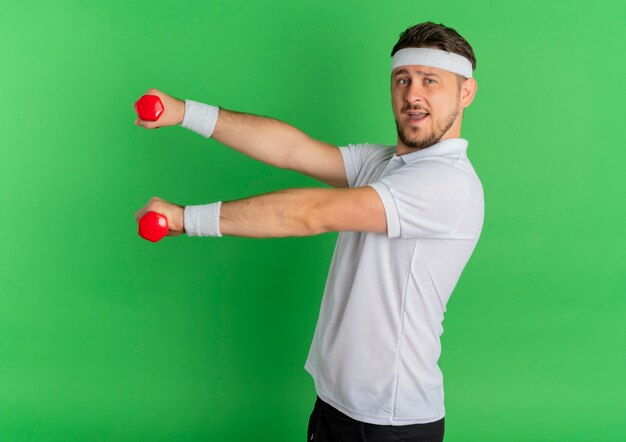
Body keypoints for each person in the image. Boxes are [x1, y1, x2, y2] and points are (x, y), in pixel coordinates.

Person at [134, 21, 483, 442]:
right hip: (337, 404)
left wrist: (186, 219)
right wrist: (184, 112)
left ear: (465, 93)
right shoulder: (384, 163)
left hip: (389, 421)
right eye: (402, 80)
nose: (413, 94)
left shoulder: (447, 184)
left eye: (431, 81)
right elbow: (290, 149)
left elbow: (312, 212)